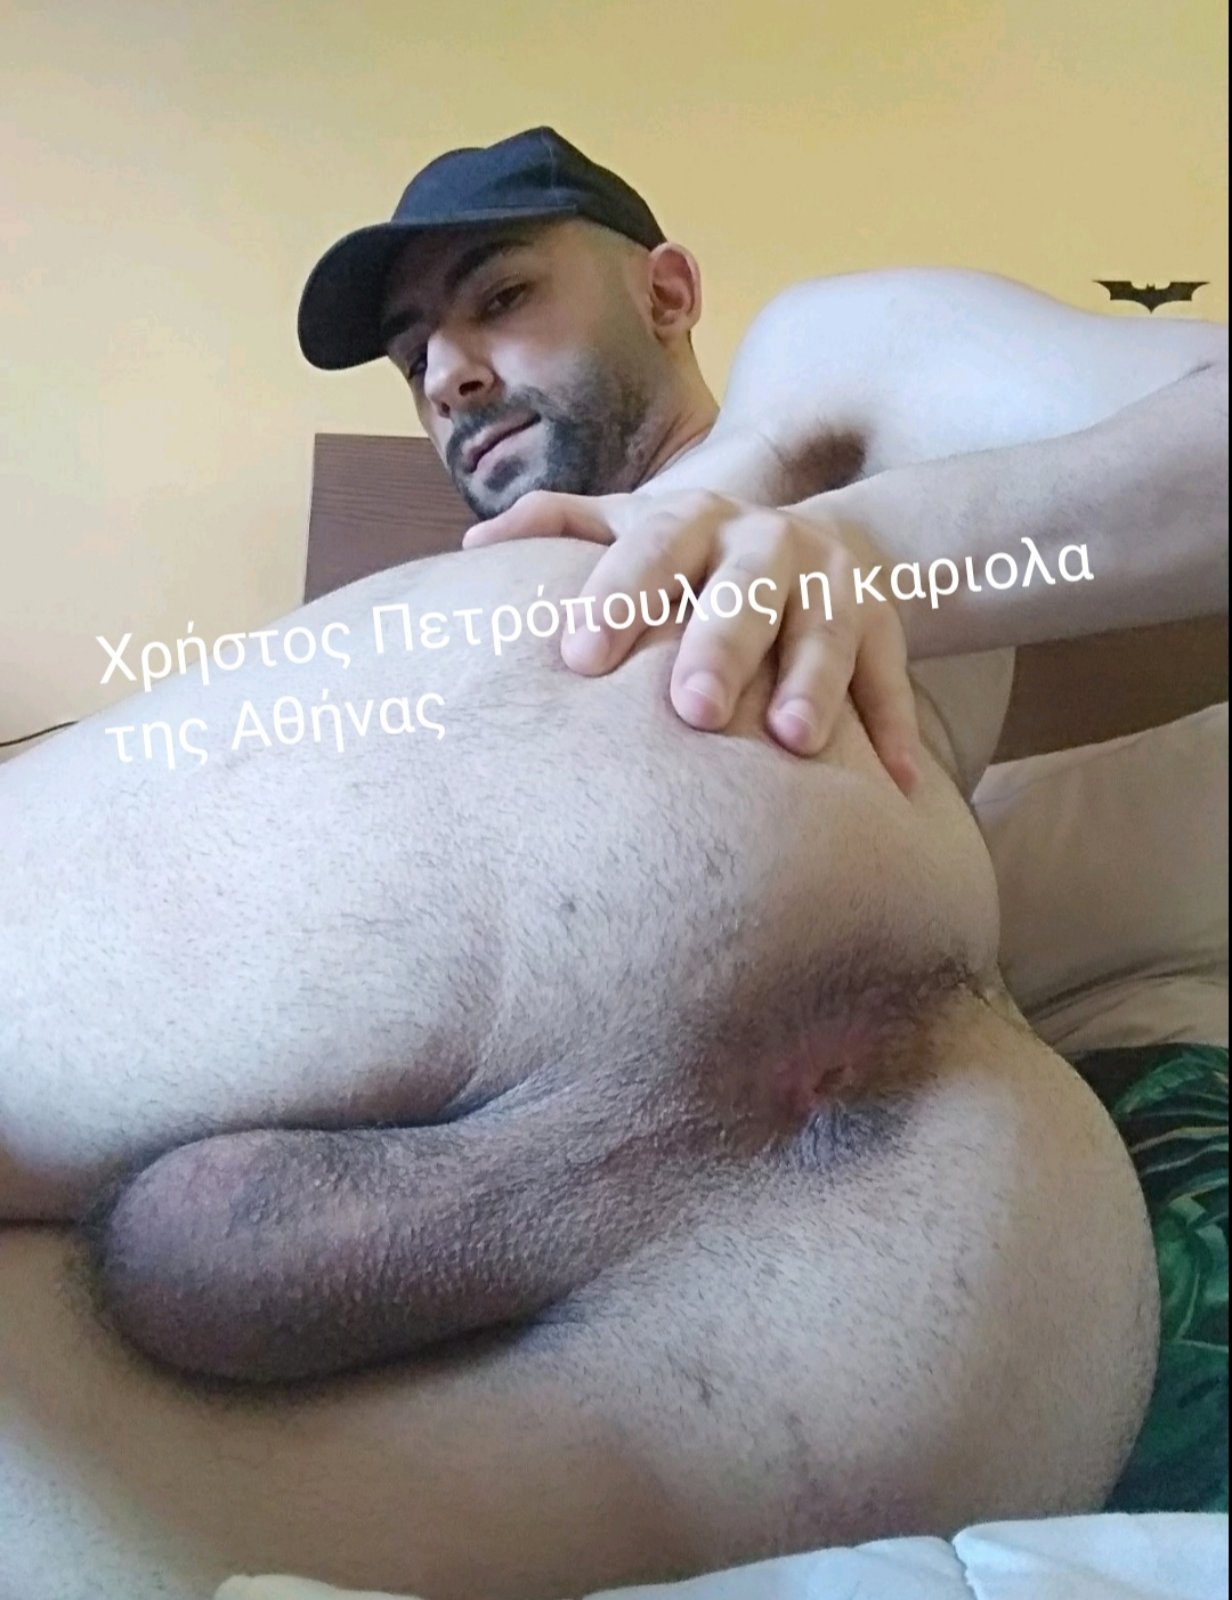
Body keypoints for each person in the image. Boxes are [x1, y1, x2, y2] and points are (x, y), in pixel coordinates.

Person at [0, 129, 1224, 1600]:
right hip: (949, 1273)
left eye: (501, 295)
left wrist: (863, 546)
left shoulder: (814, 373)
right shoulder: (432, 627)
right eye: (413, 351)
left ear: (667, 292)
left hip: (885, 1220)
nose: (449, 372)